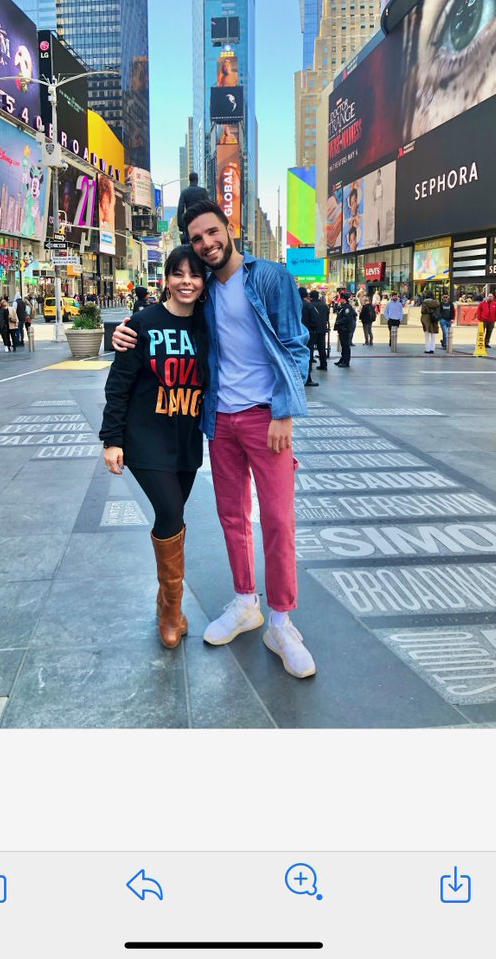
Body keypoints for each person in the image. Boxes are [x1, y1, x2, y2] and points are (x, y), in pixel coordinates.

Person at [111, 200, 315, 679]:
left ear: (228, 228)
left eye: (211, 232)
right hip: (220, 420)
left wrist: (285, 411)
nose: (206, 243)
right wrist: (124, 332)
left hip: (266, 418)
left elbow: (295, 344)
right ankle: (246, 603)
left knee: (278, 520)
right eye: (197, 239)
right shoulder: (205, 294)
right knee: (232, 517)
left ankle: (281, 623)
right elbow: (170, 319)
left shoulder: (270, 277)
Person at [99, 246, 209, 649]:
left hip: (187, 437)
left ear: (204, 282)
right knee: (170, 513)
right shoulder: (143, 324)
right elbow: (119, 384)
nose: (186, 282)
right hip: (145, 438)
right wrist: (112, 439)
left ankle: (166, 598)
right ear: (166, 278)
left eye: (194, 275)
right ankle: (171, 612)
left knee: (174, 520)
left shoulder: (209, 324)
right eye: (178, 273)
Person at [176, 172, 210, 242]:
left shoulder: (184, 192)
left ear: (189, 180)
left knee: (189, 243)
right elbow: (208, 207)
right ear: (197, 179)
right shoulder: (203, 191)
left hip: (189, 221)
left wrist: (181, 226)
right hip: (201, 221)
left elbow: (180, 209)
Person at [298, 288, 319, 387]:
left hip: (296, 334)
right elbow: (315, 319)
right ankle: (307, 378)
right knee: (307, 355)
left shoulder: (294, 304)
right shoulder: (308, 305)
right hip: (307, 334)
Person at [308, 290, 330, 372]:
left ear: (311, 297)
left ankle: (309, 366)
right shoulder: (324, 305)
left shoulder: (310, 305)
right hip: (322, 329)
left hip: (312, 330)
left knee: (310, 348)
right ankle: (323, 364)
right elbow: (327, 317)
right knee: (322, 348)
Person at [334, 292, 356, 368]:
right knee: (343, 345)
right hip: (341, 328)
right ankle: (342, 359)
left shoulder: (347, 307)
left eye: (341, 298)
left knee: (345, 345)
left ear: (344, 299)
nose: (340, 300)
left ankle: (346, 361)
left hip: (345, 328)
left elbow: (347, 318)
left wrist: (338, 322)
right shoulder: (343, 306)